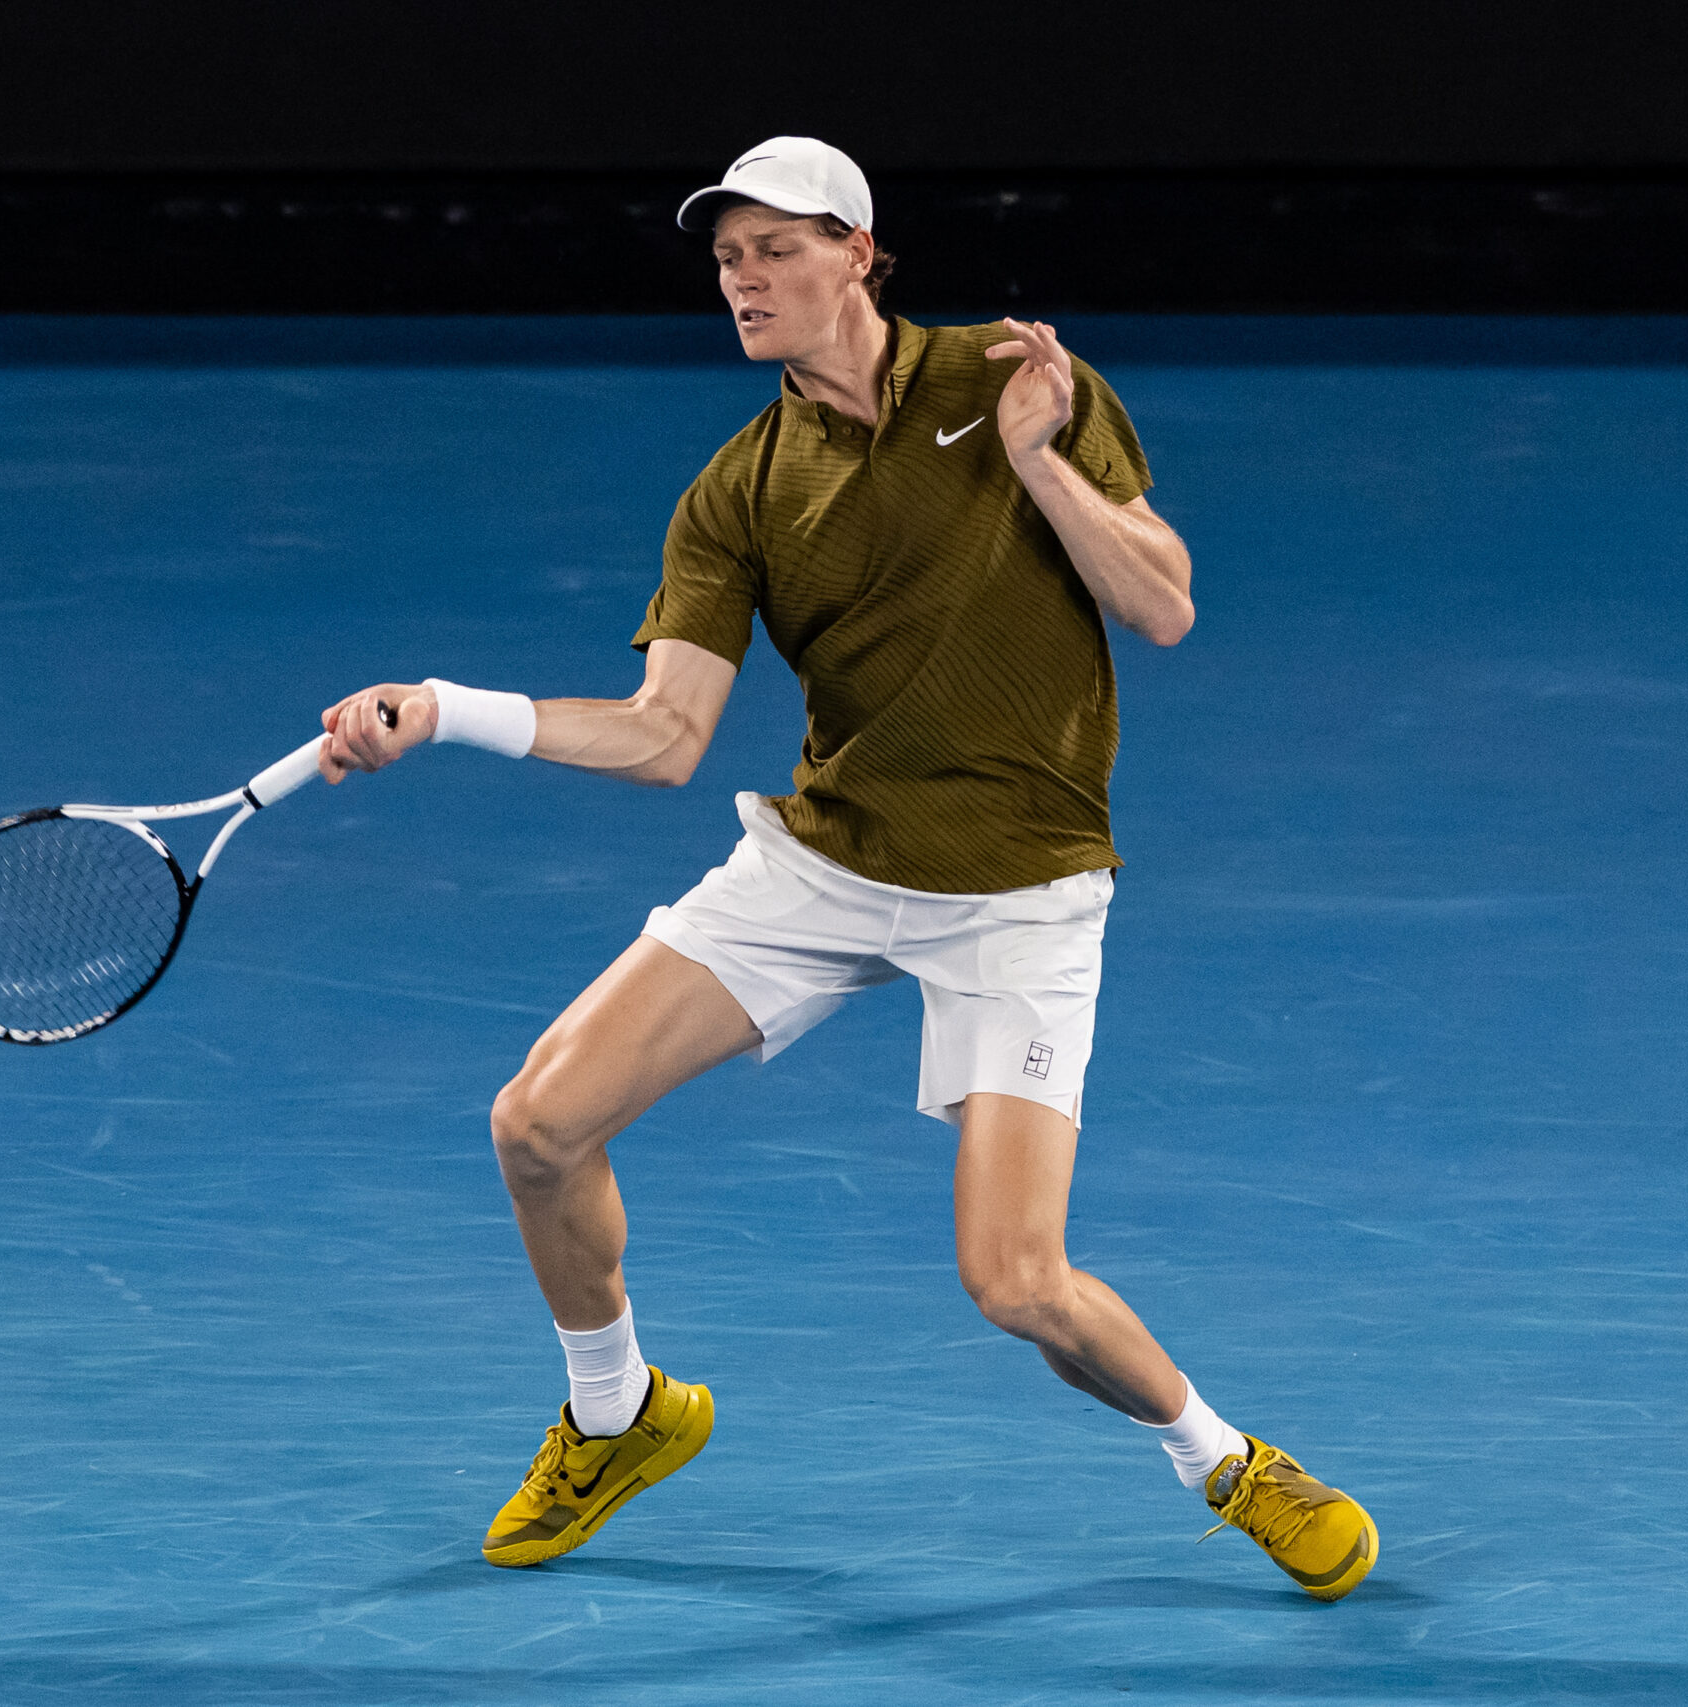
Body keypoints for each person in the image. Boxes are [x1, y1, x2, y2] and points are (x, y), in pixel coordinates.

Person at [317, 137, 1377, 1601]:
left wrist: (1031, 460)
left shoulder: (1012, 381)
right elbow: (664, 734)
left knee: (1018, 1284)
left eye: (777, 250)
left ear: (862, 254)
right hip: (827, 862)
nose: (745, 280)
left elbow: (1164, 603)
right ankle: (617, 1414)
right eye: (727, 259)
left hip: (1022, 892)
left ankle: (1226, 1461)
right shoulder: (740, 487)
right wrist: (447, 712)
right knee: (537, 1125)